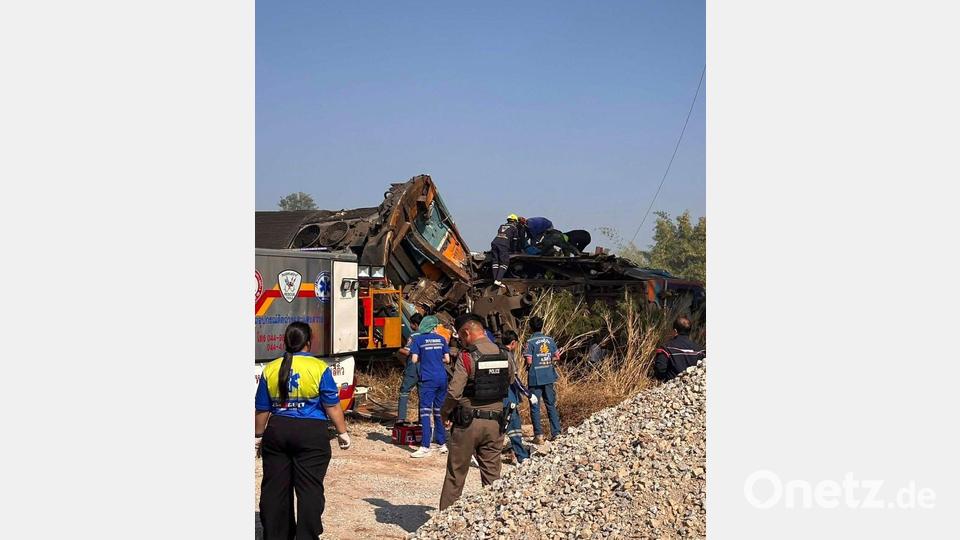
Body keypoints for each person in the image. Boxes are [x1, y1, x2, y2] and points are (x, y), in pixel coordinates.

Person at [255, 322, 351, 540]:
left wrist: (258, 437)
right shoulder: (319, 368)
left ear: (285, 342)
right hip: (311, 434)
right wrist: (342, 432)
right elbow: (332, 406)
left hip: (277, 431)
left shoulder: (271, 368)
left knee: (274, 488)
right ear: (309, 342)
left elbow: (262, 409)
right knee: (309, 488)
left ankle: (276, 534)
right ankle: (307, 535)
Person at [439, 314, 514, 510]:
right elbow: (511, 380)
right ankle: (493, 521)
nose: (461, 341)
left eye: (461, 337)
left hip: (467, 423)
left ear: (466, 332)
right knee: (492, 478)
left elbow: (454, 393)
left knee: (456, 475)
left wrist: (444, 413)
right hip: (495, 424)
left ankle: (444, 526)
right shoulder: (505, 353)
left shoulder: (467, 356)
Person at [408, 316, 451, 458]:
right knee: (439, 411)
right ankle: (442, 443)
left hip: (427, 379)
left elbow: (414, 360)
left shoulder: (418, 339)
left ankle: (425, 446)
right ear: (434, 327)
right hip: (442, 378)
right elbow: (447, 359)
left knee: (425, 412)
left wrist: (424, 357)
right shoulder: (441, 339)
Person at [524, 316, 562, 444]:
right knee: (550, 404)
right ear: (542, 326)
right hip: (549, 376)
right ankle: (556, 432)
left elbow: (529, 361)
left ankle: (538, 435)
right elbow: (557, 356)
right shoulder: (550, 340)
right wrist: (548, 360)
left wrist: (532, 363)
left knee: (535, 405)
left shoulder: (530, 342)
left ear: (531, 327)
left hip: (535, 378)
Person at [501, 330, 534, 464]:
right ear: (513, 343)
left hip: (497, 394)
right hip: (508, 395)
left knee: (500, 424)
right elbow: (514, 379)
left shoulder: (497, 352)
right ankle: (521, 455)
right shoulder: (508, 355)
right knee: (513, 424)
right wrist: (527, 394)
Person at [653, 315, 706, 381]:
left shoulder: (666, 348)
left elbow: (660, 370)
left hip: (672, 388)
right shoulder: (700, 350)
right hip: (693, 388)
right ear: (689, 331)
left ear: (675, 331)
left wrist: (667, 381)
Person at [396, 313, 423, 424]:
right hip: (425, 367)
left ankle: (401, 418)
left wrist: (397, 349)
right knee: (422, 394)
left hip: (413, 366)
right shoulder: (430, 335)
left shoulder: (414, 336)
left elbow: (407, 352)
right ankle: (422, 420)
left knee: (404, 392)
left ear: (415, 324)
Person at [490, 214, 522, 287]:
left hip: (495, 243)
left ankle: (495, 280)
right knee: (504, 262)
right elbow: (514, 241)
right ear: (515, 221)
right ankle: (498, 280)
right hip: (503, 245)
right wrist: (514, 250)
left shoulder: (501, 226)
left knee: (495, 262)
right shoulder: (514, 228)